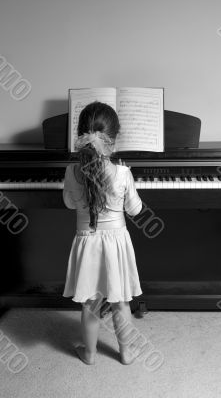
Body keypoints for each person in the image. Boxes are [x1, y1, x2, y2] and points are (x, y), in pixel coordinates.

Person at [62, 101, 143, 365]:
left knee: (91, 304)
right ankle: (127, 353)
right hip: (116, 244)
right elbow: (135, 210)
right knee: (121, 302)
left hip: (88, 244)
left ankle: (89, 353)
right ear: (113, 140)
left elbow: (69, 203)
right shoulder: (122, 172)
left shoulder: (72, 171)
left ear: (80, 136)